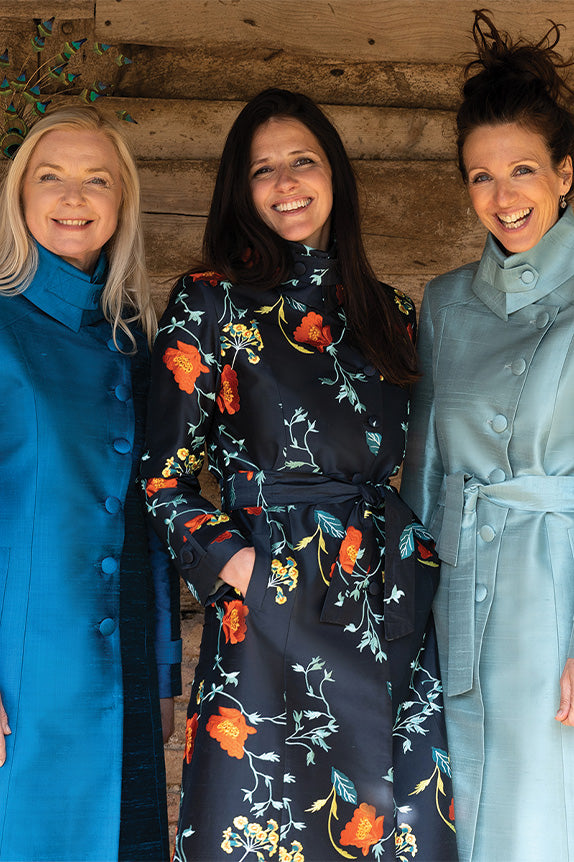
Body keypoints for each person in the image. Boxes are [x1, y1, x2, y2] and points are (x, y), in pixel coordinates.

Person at [142, 87, 457, 861]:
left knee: (396, 823)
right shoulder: (211, 301)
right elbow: (163, 481)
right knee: (267, 824)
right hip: (273, 610)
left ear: (335, 175)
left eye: (303, 161)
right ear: (240, 189)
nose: (286, 183)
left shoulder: (391, 311)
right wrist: (246, 569)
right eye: (263, 169)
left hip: (386, 598)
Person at [401, 11, 574, 861]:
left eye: (522, 171)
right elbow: (423, 473)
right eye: (481, 177)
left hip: (560, 602)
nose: (503, 198)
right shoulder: (444, 304)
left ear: (566, 174)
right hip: (461, 601)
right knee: (467, 822)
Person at [0, 105, 182, 861]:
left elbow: (155, 513)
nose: (73, 196)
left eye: (95, 179)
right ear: (18, 198)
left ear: (121, 203)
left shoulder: (139, 336)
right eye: (52, 177)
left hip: (129, 665)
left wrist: (166, 665)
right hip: (26, 675)